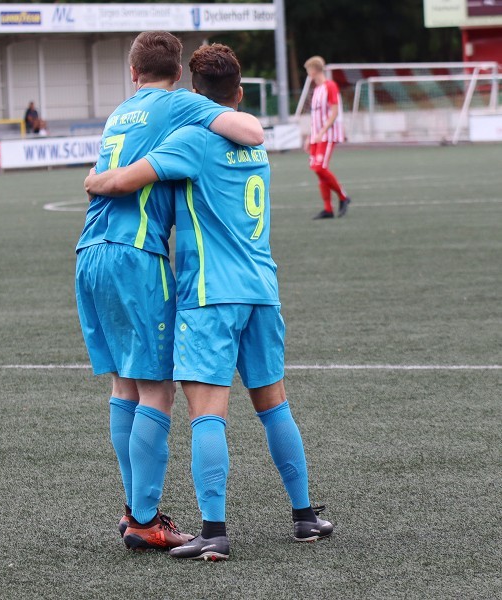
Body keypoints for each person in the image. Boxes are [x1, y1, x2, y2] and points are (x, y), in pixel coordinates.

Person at [84, 43, 333, 561]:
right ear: (238, 94)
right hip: (263, 288)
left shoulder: (190, 141)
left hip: (208, 295)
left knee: (207, 415)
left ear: (194, 94)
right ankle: (305, 516)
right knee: (274, 404)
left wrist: (97, 180)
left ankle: (214, 530)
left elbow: (127, 181)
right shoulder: (254, 145)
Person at [74, 31, 265, 551]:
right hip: (137, 255)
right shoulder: (180, 103)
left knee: (123, 387)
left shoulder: (120, 112)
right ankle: (143, 519)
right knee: (156, 389)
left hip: (89, 254)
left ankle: (135, 509)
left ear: (131, 73)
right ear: (178, 75)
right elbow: (247, 129)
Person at [304, 56, 351, 219]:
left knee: (319, 167)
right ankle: (328, 209)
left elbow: (335, 111)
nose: (308, 74)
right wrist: (310, 137)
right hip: (317, 136)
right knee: (318, 170)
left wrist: (322, 132)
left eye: (308, 70)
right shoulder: (316, 90)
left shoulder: (330, 86)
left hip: (327, 135)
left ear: (314, 70)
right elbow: (314, 117)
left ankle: (343, 197)